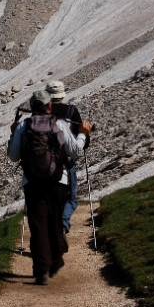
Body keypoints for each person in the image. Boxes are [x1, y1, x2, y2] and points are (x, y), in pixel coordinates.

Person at [8, 90, 88, 284]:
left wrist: (13, 134)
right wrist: (83, 135)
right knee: (54, 221)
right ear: (49, 106)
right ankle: (56, 261)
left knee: (38, 225)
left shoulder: (24, 126)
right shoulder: (58, 125)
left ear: (32, 107)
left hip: (32, 182)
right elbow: (74, 151)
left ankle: (41, 270)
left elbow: (13, 156)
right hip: (57, 181)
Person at [46, 80, 91, 233]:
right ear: (62, 95)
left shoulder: (41, 114)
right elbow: (83, 142)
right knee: (71, 199)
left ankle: (50, 226)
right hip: (67, 162)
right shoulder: (71, 111)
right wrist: (85, 134)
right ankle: (63, 224)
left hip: (44, 164)